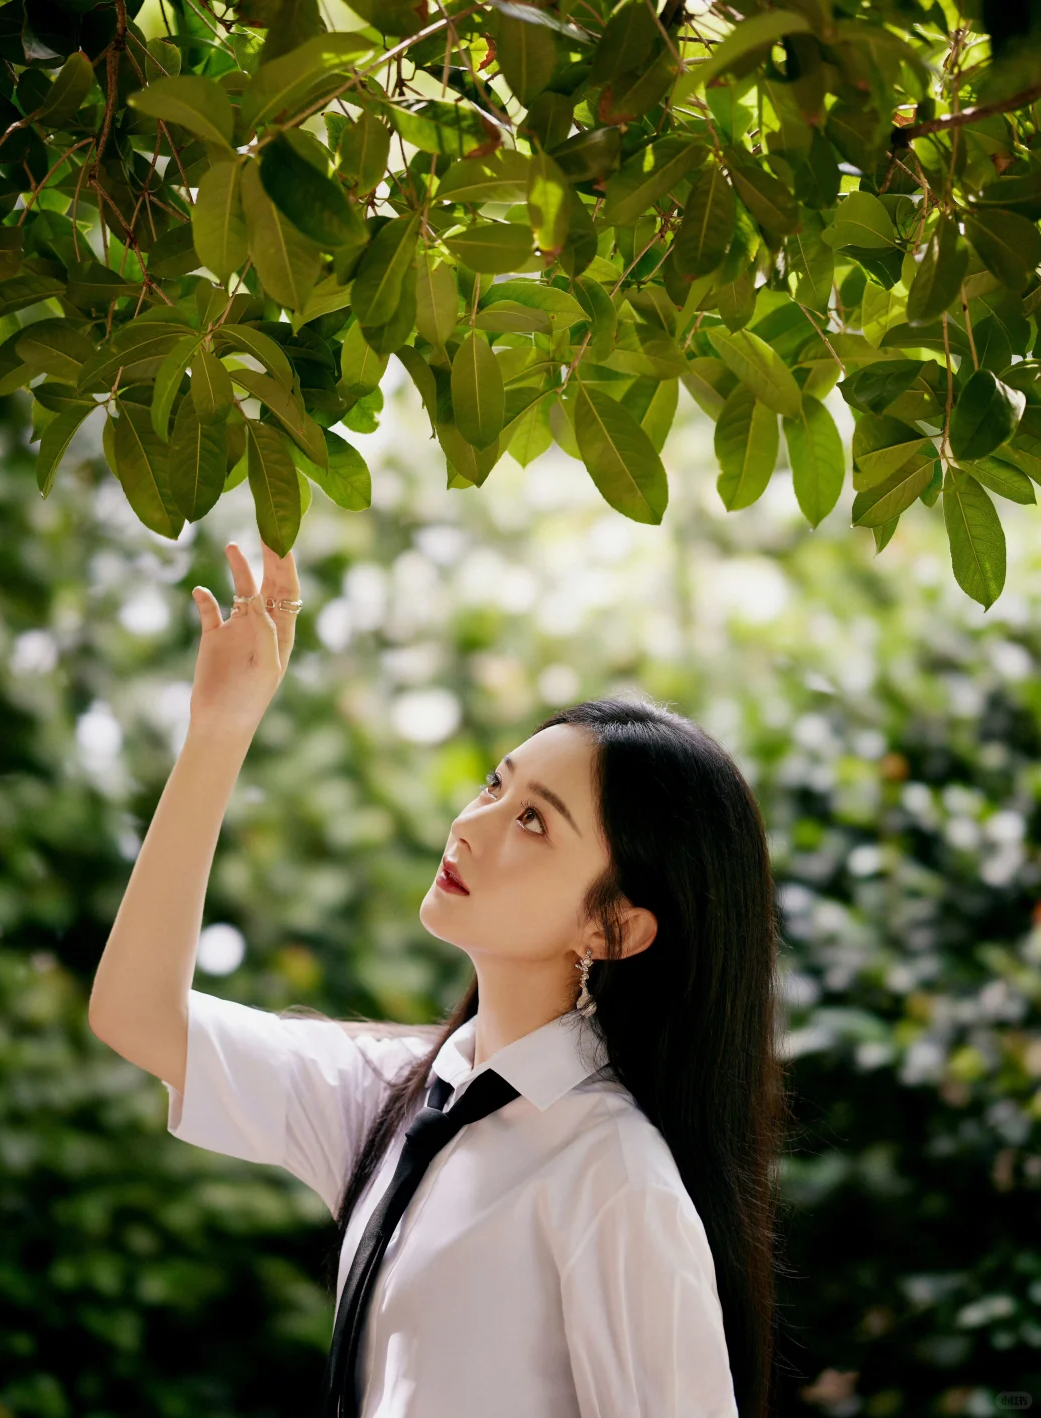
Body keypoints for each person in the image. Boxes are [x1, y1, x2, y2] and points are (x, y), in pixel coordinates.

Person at [88, 540, 789, 1418]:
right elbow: (138, 1015)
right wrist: (220, 732)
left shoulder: (614, 1180)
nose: (472, 824)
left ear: (614, 928)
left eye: (534, 821)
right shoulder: (406, 1094)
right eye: (498, 784)